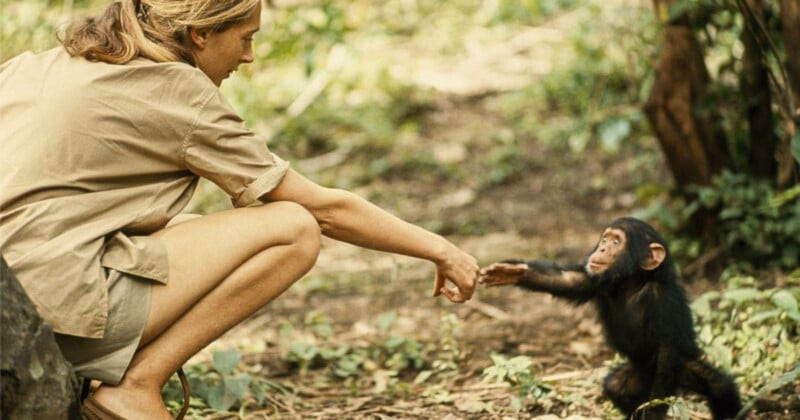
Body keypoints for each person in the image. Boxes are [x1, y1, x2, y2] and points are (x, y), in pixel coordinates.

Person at [0, 0, 479, 418]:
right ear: (200, 33)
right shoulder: (176, 89)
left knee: (188, 227)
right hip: (57, 314)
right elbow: (323, 209)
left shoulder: (33, 66)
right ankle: (137, 386)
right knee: (293, 228)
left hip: (14, 305)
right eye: (246, 38)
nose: (248, 56)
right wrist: (440, 250)